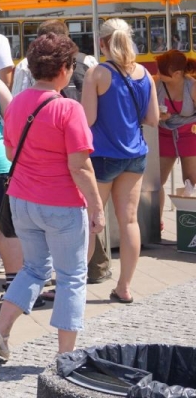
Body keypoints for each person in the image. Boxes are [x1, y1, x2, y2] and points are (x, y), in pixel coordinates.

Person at [0, 33, 104, 360]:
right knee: (71, 277)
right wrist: (96, 207)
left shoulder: (18, 102)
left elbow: (11, 152)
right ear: (64, 68)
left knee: (34, 269)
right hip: (62, 203)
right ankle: (65, 356)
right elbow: (80, 166)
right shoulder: (69, 108)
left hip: (23, 201)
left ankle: (1, 330)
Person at [82, 18, 159, 304]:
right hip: (135, 155)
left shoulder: (97, 73)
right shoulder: (144, 73)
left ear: (101, 43)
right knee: (129, 220)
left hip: (103, 155)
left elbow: (88, 119)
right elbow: (153, 119)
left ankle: (74, 286)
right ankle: (124, 287)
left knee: (91, 221)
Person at [155, 50, 196, 232]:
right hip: (164, 133)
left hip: (189, 133)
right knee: (157, 181)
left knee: (191, 181)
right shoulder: (157, 83)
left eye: (162, 71)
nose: (158, 73)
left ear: (177, 73)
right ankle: (156, 222)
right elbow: (147, 110)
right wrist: (157, 115)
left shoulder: (192, 86)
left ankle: (190, 226)